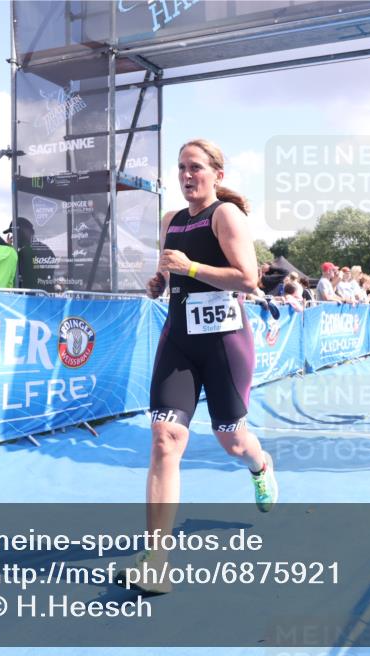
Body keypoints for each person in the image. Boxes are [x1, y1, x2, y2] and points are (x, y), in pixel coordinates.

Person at [136, 139, 278, 593]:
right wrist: (161, 280)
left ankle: (260, 465)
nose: (186, 175)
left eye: (195, 167)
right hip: (179, 340)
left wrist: (191, 268)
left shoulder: (225, 215)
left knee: (232, 441)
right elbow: (171, 273)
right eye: (180, 168)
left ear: (217, 173)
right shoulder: (170, 221)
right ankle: (156, 560)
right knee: (164, 440)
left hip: (223, 343)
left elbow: (248, 278)